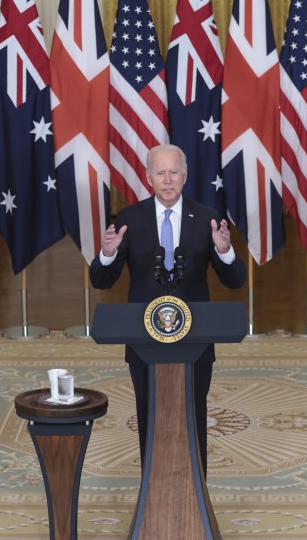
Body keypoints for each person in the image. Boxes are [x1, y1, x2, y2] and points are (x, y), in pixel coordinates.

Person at [89, 144, 246, 475]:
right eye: (160, 173)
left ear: (185, 176)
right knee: (149, 415)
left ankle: (196, 489)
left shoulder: (206, 218)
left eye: (174, 172)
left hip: (196, 339)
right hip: (143, 340)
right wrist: (107, 254)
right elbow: (102, 281)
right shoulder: (130, 219)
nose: (168, 179)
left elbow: (235, 281)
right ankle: (152, 486)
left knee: (193, 414)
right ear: (148, 177)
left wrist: (225, 250)